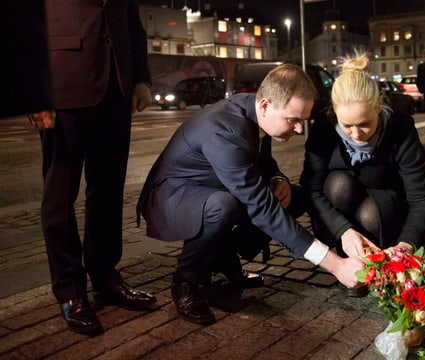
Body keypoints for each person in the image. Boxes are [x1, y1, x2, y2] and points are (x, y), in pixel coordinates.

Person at [136, 64, 364, 325]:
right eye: (293, 120)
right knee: (224, 207)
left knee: (294, 197)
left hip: (213, 186)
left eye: (303, 120)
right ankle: (187, 280)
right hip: (171, 197)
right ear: (266, 104)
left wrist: (278, 179)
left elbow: (260, 159)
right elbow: (262, 208)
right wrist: (335, 265)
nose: (300, 130)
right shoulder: (226, 132)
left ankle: (223, 255)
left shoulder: (254, 109)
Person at [28, 0, 157, 336]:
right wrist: (32, 91)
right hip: (63, 85)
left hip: (117, 85)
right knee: (59, 198)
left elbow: (131, 20)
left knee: (108, 190)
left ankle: (105, 276)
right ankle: (70, 289)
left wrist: (141, 77)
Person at [300, 53, 425, 296]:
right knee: (338, 184)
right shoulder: (323, 127)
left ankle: (376, 266)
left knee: (370, 214)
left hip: (387, 209)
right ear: (334, 112)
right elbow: (310, 189)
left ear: (379, 105)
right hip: (338, 209)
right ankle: (348, 263)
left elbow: (422, 197)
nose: (356, 134)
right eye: (347, 126)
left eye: (365, 123)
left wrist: (406, 245)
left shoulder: (401, 128)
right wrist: (343, 230)